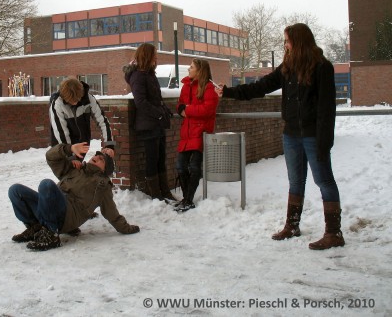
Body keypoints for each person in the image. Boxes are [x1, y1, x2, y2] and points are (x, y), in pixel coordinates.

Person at [216, 23, 345, 250]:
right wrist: (229, 92)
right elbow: (262, 86)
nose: (285, 45)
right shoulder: (287, 67)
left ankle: (334, 233)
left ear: (299, 41)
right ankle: (292, 226)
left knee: (324, 180)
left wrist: (325, 142)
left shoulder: (322, 67)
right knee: (295, 181)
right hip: (291, 134)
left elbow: (327, 108)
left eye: (287, 40)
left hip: (314, 135)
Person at [8, 144, 140, 251]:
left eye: (102, 159)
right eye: (97, 155)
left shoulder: (102, 184)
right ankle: (35, 227)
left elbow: (111, 212)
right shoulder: (75, 168)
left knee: (46, 185)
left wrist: (126, 228)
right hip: (51, 209)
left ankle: (51, 234)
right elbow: (50, 157)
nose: (97, 157)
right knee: (15, 190)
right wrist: (69, 149)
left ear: (105, 170)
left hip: (66, 217)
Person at [123, 43, 176, 201]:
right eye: (154, 54)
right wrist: (159, 114)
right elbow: (141, 102)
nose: (156, 57)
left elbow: (156, 98)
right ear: (147, 56)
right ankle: (156, 195)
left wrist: (164, 111)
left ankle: (165, 192)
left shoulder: (149, 74)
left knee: (160, 159)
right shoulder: (138, 76)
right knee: (152, 160)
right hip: (148, 124)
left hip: (157, 123)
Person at [174, 59, 219, 212]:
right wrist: (182, 109)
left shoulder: (209, 87)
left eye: (192, 67)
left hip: (200, 132)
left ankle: (188, 199)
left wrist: (188, 109)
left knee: (194, 167)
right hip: (187, 132)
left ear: (200, 70)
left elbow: (208, 110)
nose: (189, 69)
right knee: (180, 166)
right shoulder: (186, 86)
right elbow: (180, 104)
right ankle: (186, 199)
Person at [49, 77, 115, 167]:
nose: (75, 103)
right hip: (62, 149)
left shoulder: (89, 99)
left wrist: (109, 145)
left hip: (82, 145)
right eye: (71, 100)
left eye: (77, 99)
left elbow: (102, 121)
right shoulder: (57, 104)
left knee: (79, 173)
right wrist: (71, 156)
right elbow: (61, 133)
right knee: (68, 173)